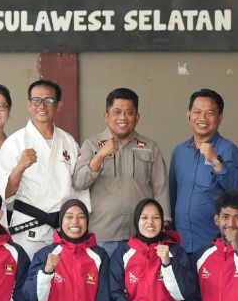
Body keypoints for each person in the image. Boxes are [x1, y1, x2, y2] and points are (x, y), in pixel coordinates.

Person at [71, 88, 170, 250]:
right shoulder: (91, 144)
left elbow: (161, 188)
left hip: (142, 235)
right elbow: (79, 182)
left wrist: (164, 223)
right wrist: (100, 155)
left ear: (137, 117)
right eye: (117, 112)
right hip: (103, 234)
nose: (123, 117)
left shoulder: (150, 147)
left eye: (129, 113)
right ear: (106, 116)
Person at [0, 79, 85, 252]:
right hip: (28, 227)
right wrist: (20, 167)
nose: (42, 105)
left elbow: (80, 186)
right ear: (29, 104)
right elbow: (4, 193)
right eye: (36, 100)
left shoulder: (68, 141)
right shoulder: (15, 141)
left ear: (58, 105)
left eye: (48, 100)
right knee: (27, 269)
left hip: (63, 228)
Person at [169, 89, 238, 254]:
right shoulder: (179, 152)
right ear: (189, 115)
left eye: (210, 113)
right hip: (181, 242)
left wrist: (215, 160)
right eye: (197, 112)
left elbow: (236, 189)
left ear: (220, 117)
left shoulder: (228, 149)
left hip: (214, 244)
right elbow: (173, 194)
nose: (202, 118)